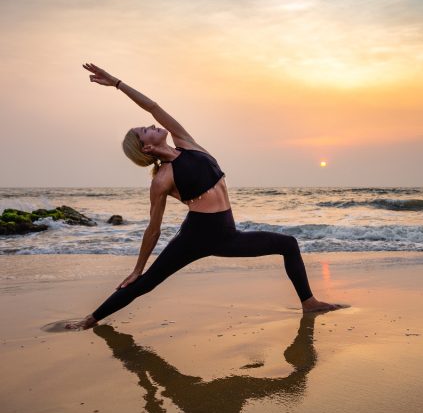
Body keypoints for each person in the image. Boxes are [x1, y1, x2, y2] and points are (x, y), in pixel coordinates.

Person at [66, 63, 345, 330]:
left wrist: (116, 83)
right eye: (145, 131)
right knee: (146, 282)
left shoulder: (186, 143)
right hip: (195, 237)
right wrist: (138, 267)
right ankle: (90, 319)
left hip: (227, 234)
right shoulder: (163, 179)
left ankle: (308, 303)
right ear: (147, 148)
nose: (151, 125)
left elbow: (153, 106)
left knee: (288, 244)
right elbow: (154, 227)